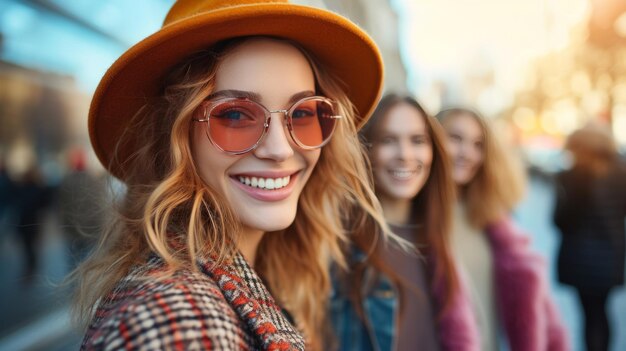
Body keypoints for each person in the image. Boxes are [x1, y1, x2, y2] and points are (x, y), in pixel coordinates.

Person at [74, 1, 390, 349]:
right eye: (236, 116)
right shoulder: (181, 324)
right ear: (176, 135)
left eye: (302, 114)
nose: (280, 149)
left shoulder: (277, 277)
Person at [329, 94, 479, 351]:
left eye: (417, 140)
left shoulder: (439, 240)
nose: (405, 155)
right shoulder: (338, 249)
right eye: (388, 140)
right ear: (366, 149)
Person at [436, 107, 569, 351]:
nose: (467, 153)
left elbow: (541, 312)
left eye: (478, 144)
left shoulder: (492, 220)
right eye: (455, 138)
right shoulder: (418, 220)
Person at [554, 124, 626, 351]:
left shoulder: (572, 177)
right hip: (611, 257)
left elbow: (561, 220)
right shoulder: (621, 173)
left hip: (580, 259)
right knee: (602, 312)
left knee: (589, 314)